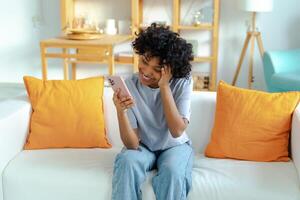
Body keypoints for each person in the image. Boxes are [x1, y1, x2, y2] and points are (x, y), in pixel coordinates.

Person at [111, 23, 194, 200]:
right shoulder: (130, 85)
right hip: (144, 147)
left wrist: (164, 86)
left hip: (175, 146)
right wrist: (121, 112)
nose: (146, 72)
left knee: (173, 172)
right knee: (126, 161)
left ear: (170, 69)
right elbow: (132, 144)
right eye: (144, 62)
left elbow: (177, 130)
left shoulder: (183, 82)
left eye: (157, 69)